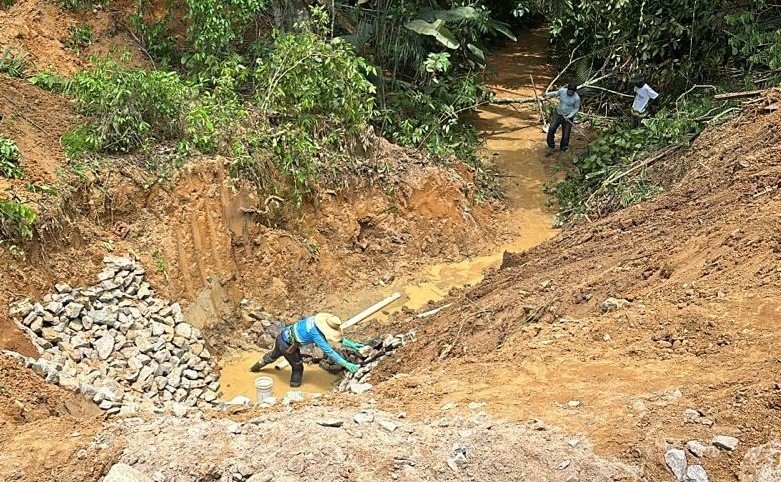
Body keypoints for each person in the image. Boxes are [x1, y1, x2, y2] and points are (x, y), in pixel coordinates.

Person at [249, 312, 362, 387]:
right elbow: (329, 352)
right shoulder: (316, 335)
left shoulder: (314, 320)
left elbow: (335, 338)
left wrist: (352, 344)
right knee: (298, 367)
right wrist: (346, 364)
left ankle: (253, 368)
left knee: (273, 355)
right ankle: (294, 387)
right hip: (288, 346)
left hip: (281, 336)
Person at [544, 82, 580, 154]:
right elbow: (555, 93)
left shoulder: (576, 98)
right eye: (569, 91)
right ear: (567, 89)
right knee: (551, 129)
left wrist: (569, 116)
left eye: (572, 92)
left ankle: (563, 148)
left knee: (566, 134)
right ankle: (551, 146)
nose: (570, 93)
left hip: (568, 117)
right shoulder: (562, 91)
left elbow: (576, 108)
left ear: (574, 92)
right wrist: (546, 95)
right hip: (558, 114)